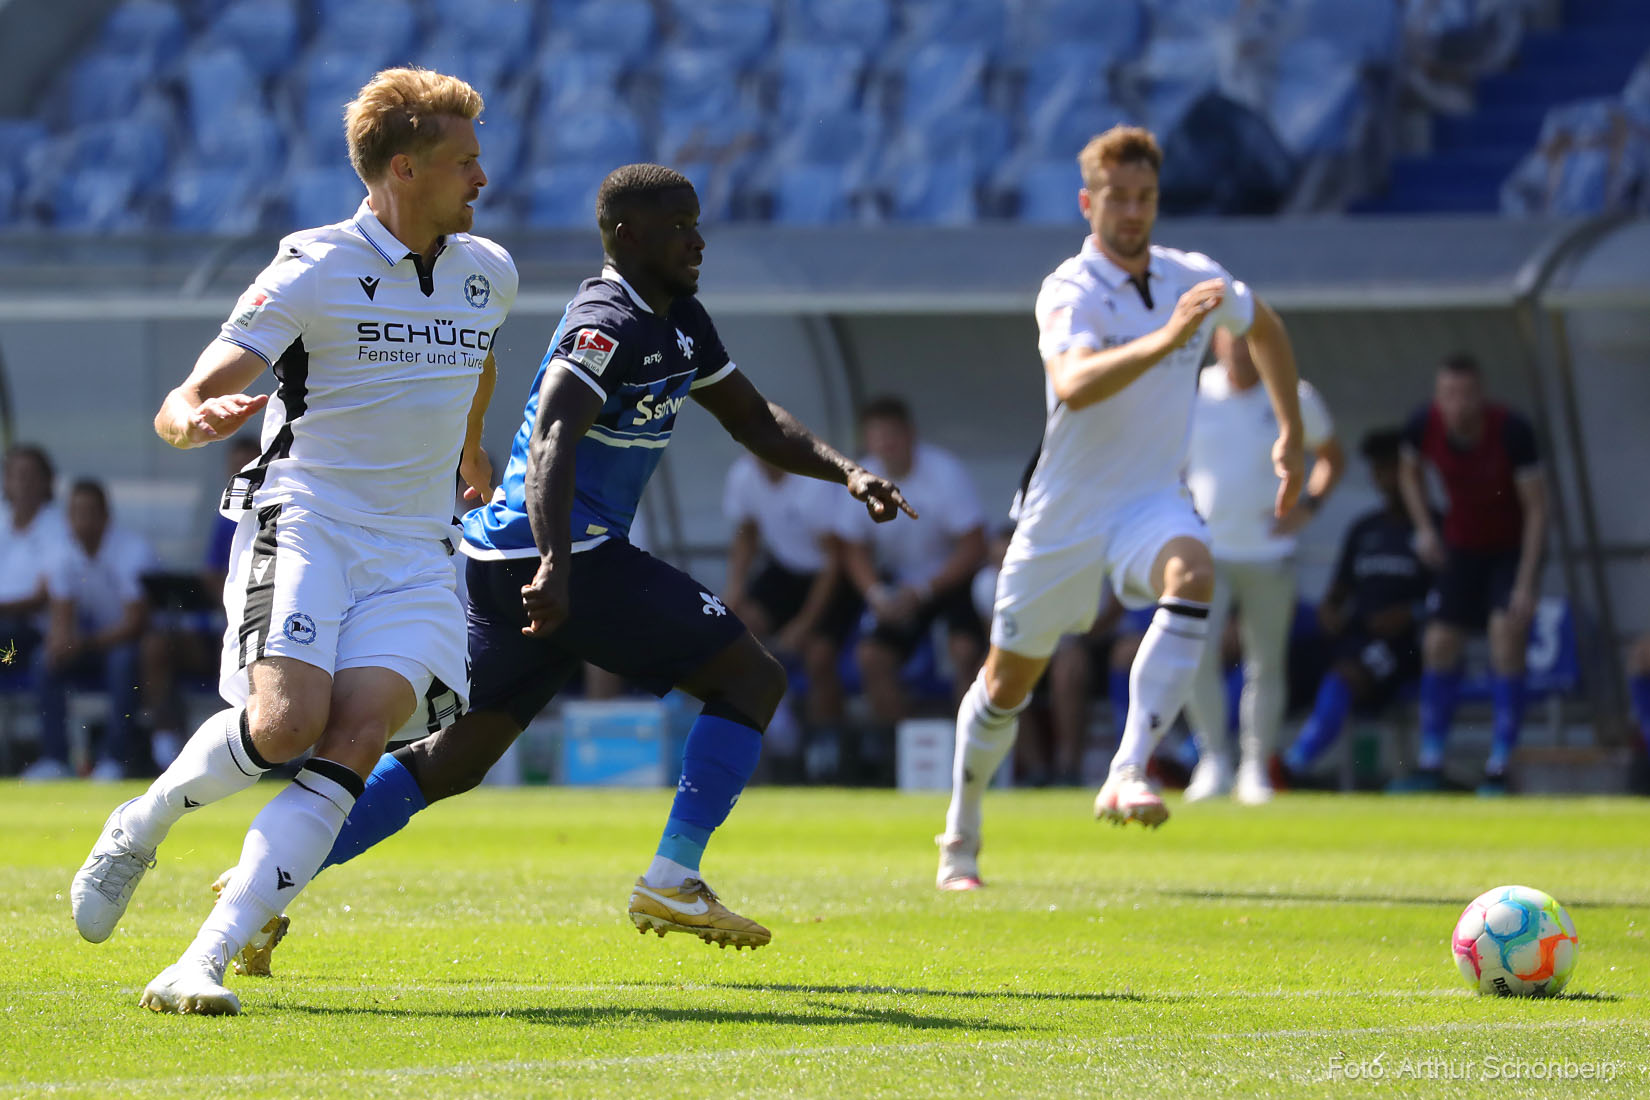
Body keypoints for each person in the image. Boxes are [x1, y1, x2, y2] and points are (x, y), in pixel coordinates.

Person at [236, 163, 913, 973]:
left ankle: (260, 887)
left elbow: (755, 420)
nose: (697, 240)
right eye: (678, 227)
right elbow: (555, 430)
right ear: (627, 236)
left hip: (519, 553)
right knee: (753, 680)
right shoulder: (605, 317)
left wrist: (848, 471)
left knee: (454, 760)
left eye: (697, 224)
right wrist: (557, 561)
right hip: (561, 551)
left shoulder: (681, 319)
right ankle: (673, 877)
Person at [69, 67, 513, 1016]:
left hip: (418, 548)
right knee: (283, 728)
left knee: (355, 738)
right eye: (465, 161)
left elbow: (476, 357)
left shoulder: (489, 271)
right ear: (405, 168)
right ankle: (143, 820)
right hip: (306, 521)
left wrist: (472, 446)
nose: (483, 178)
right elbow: (192, 391)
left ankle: (203, 960)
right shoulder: (312, 265)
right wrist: (191, 418)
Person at [936, 124, 1305, 890]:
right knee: (1006, 686)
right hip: (1063, 513)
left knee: (1194, 573)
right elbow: (1073, 383)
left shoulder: (1189, 274)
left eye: (1145, 198)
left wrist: (1291, 433)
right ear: (1087, 202)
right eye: (1118, 198)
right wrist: (1170, 335)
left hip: (1150, 499)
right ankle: (961, 834)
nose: (1134, 212)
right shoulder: (1070, 288)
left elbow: (1264, 326)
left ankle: (1130, 767)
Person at [1182, 327, 1343, 804]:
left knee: (1266, 664)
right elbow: (1164, 462)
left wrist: (1307, 508)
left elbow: (1331, 456)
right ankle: (1213, 761)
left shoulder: (1294, 394)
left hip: (1269, 556)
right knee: (1194, 656)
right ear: (1217, 345)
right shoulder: (1192, 394)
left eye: (1250, 341)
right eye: (1233, 340)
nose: (1241, 351)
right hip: (1205, 553)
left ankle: (1256, 768)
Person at [1393, 353, 1546, 795]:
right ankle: (1432, 759)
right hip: (1461, 545)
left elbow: (1537, 508)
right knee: (1439, 642)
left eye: (1466, 395)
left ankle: (1501, 763)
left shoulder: (1512, 431)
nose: (1458, 405)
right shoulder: (1423, 424)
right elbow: (1409, 472)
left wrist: (1526, 582)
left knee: (1506, 633)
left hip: (1510, 549)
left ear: (1481, 395)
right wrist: (1425, 528)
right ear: (1437, 397)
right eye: (1449, 395)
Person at [839, 396, 987, 775]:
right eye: (877, 436)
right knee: (871, 658)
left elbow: (973, 545)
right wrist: (875, 594)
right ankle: (908, 758)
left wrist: (923, 592)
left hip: (948, 581)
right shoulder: (861, 477)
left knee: (964, 651)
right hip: (896, 585)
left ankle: (970, 759)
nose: (886, 444)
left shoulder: (944, 472)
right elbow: (852, 549)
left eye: (893, 435)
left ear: (910, 435)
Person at [1275, 430, 1432, 784]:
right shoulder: (1365, 529)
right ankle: (1205, 754)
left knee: (1345, 675)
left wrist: (1411, 613)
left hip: (1404, 649)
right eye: (1378, 470)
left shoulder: (1433, 528)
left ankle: (1292, 766)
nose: (1385, 478)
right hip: (1353, 636)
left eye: (1392, 468)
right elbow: (1338, 590)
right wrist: (1330, 609)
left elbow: (1452, 598)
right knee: (1280, 663)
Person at [721, 454, 861, 776]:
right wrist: (735, 590)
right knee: (737, 628)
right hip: (785, 570)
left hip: (830, 577)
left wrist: (804, 623)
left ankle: (826, 751)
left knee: (818, 656)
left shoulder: (812, 485)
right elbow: (747, 535)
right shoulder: (743, 475)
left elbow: (833, 559)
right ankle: (771, 721)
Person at [139, 435, 263, 771]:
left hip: (271, 635)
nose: (243, 473)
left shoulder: (291, 514)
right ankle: (163, 750)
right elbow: (211, 579)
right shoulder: (225, 520)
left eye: (250, 465)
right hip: (222, 634)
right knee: (157, 647)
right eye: (236, 468)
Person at [30, 480, 153, 781]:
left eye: (89, 512)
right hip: (89, 645)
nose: (82, 520)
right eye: (75, 513)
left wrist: (84, 643)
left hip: (127, 643)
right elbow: (62, 615)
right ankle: (54, 759)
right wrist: (59, 645)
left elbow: (135, 622)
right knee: (43, 660)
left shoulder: (131, 550)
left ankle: (114, 759)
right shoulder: (62, 553)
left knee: (122, 661)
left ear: (105, 516)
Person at [0, 445, 67, 711]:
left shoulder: (59, 526)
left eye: (31, 475)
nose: (23, 483)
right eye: (17, 475)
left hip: (33, 634)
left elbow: (42, 597)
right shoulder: (1, 521)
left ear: (46, 481)